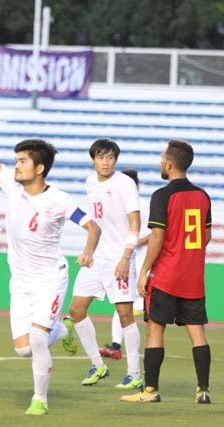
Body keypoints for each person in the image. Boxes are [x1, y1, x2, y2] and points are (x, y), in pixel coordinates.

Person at [0, 89, 101, 415]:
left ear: (40, 168)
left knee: (35, 340)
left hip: (50, 278)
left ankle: (40, 400)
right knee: (22, 348)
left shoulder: (59, 200)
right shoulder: (11, 185)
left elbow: (93, 227)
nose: (16, 166)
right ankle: (63, 329)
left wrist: (88, 252)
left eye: (22, 161)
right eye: (16, 161)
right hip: (21, 282)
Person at [121, 139, 213, 405]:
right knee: (198, 334)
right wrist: (189, 255)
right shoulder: (202, 195)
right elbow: (206, 235)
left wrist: (144, 272)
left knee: (154, 330)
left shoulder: (162, 195)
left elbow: (157, 237)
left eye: (162, 158)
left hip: (166, 276)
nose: (161, 162)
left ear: (169, 163)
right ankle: (203, 390)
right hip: (194, 277)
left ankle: (150, 391)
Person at [68, 140, 142, 390]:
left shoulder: (125, 184)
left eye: (110, 157)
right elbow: (96, 224)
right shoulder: (90, 183)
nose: (105, 162)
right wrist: (88, 251)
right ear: (93, 159)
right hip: (97, 259)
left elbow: (135, 224)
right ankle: (98, 365)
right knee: (77, 309)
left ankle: (134, 374)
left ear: (115, 160)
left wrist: (126, 257)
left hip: (119, 259)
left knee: (125, 316)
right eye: (101, 157)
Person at [100, 168, 149, 360]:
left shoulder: (144, 206)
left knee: (129, 305)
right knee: (123, 304)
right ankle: (116, 345)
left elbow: (155, 233)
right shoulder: (117, 206)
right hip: (124, 259)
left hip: (141, 260)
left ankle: (124, 347)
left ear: (136, 187)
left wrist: (132, 243)